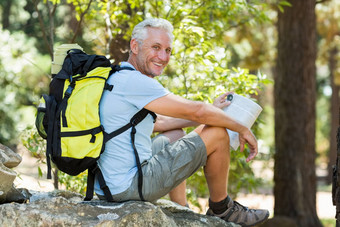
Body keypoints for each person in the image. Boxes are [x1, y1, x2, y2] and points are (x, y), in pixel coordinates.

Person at [95, 18, 269, 226]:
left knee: (175, 135)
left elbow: (158, 123)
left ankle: (181, 209)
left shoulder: (117, 76)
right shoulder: (136, 81)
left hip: (109, 186)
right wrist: (241, 127)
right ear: (135, 46)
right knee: (218, 133)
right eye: (156, 47)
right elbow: (196, 111)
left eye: (168, 50)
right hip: (128, 187)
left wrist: (211, 111)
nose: (163, 56)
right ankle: (222, 209)